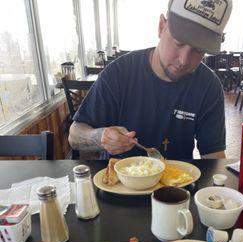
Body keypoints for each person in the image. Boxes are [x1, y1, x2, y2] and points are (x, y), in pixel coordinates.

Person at [69, 0, 233, 160]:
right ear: (161, 26)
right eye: (178, 43)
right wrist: (100, 137)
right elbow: (74, 135)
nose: (184, 60)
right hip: (118, 183)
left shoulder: (208, 86)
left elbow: (213, 157)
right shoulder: (119, 73)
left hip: (177, 184)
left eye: (198, 50)